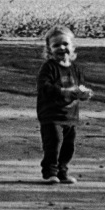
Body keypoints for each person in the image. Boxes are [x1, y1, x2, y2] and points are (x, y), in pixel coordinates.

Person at [35, 28, 91, 183]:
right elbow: (44, 88)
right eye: (56, 45)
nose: (61, 48)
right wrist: (63, 91)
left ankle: (62, 171)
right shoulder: (49, 67)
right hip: (51, 115)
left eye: (65, 44)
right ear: (49, 49)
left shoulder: (75, 69)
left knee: (68, 146)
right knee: (54, 143)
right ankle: (50, 172)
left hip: (70, 115)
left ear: (72, 47)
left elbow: (79, 88)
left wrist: (83, 94)